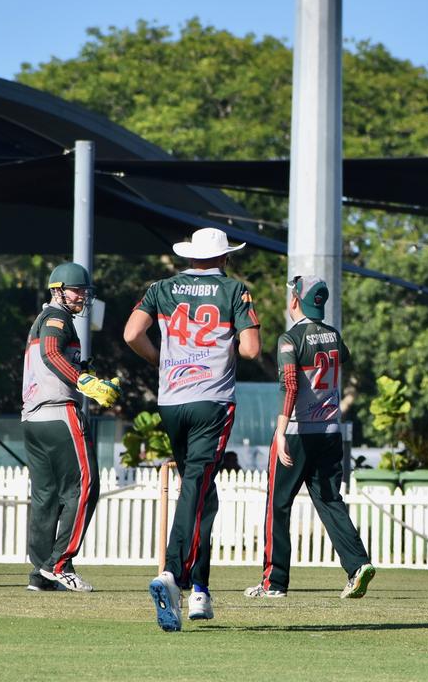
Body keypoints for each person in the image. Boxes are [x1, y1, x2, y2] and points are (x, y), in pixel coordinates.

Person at [123, 227, 261, 632]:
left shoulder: (161, 288)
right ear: (224, 258)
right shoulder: (235, 291)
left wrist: (160, 361)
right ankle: (173, 574)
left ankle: (200, 589)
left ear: (190, 258)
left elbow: (132, 333)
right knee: (196, 486)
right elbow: (251, 349)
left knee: (203, 492)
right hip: (212, 400)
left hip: (171, 400)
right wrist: (224, 350)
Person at [244, 275, 375, 600]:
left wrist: (281, 429)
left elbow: (290, 385)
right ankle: (358, 565)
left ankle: (274, 583)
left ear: (296, 301)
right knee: (331, 501)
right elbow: (341, 355)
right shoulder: (333, 334)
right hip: (330, 432)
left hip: (298, 432)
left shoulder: (291, 339)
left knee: (278, 504)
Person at [21, 262, 120, 593]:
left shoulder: (45, 319)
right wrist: (84, 380)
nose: (82, 296)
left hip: (33, 418)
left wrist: (83, 369)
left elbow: (51, 358)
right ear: (57, 290)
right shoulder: (56, 317)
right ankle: (59, 564)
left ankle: (40, 572)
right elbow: (50, 353)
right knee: (85, 484)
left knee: (47, 496)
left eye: (83, 291)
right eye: (77, 290)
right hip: (58, 412)